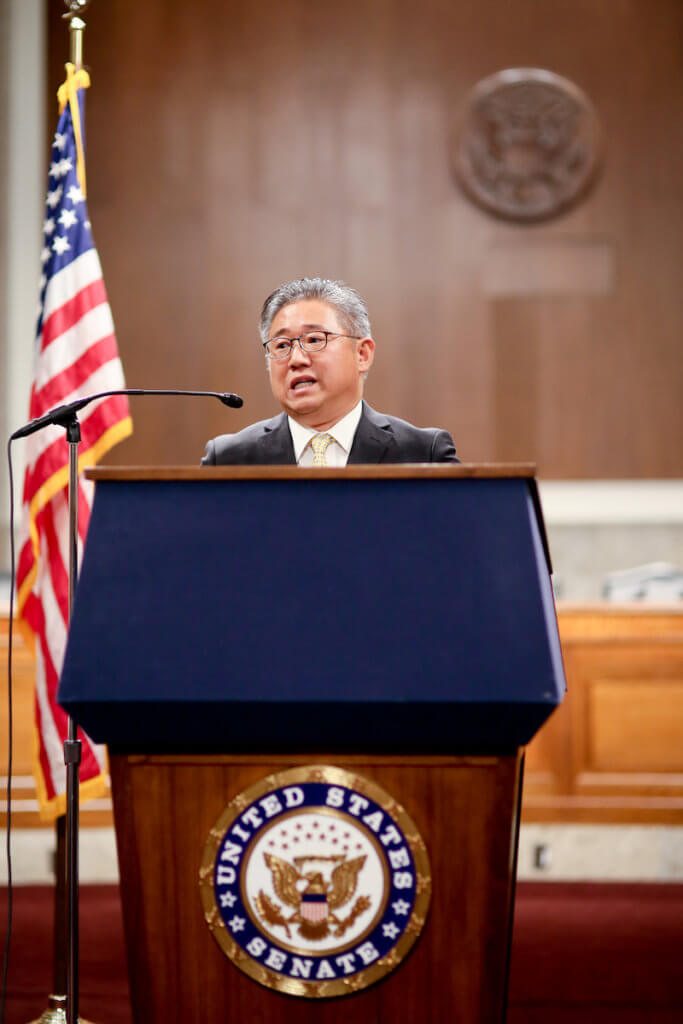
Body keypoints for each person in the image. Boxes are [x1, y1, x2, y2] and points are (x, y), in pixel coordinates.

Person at [202, 277, 458, 465]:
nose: (296, 359)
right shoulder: (229, 459)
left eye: (314, 340)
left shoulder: (423, 453)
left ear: (362, 354)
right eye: (281, 345)